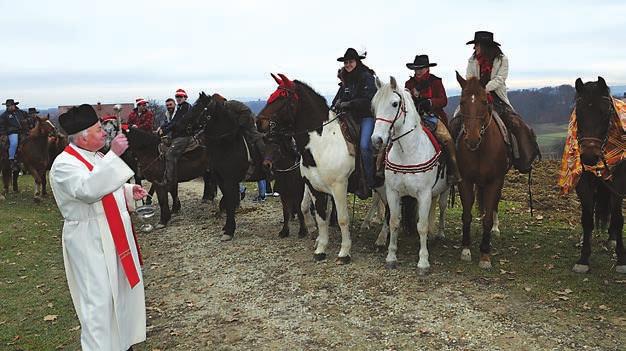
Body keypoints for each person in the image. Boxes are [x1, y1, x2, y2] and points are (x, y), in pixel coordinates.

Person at [49, 104, 147, 351]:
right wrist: (115, 156)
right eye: (98, 129)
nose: (104, 132)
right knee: (99, 301)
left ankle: (122, 344)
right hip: (89, 239)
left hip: (112, 234)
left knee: (120, 292)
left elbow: (104, 185)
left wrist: (127, 192)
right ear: (82, 136)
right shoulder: (64, 164)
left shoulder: (97, 157)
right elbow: (87, 191)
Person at [464, 30, 539, 173]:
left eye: (477, 45)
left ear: (484, 46)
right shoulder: (472, 60)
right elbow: (469, 78)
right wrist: (476, 91)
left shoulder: (502, 60)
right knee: (456, 121)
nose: (474, 48)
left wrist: (485, 89)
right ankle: (453, 161)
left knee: (516, 124)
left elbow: (500, 79)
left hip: (497, 97)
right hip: (475, 97)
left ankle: (522, 158)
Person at [405, 54, 461, 184]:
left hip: (432, 116)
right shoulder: (409, 83)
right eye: (416, 69)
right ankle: (382, 167)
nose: (418, 71)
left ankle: (453, 171)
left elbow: (443, 100)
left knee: (447, 140)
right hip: (413, 117)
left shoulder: (435, 81)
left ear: (427, 68)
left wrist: (430, 102)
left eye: (421, 68)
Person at [331, 47, 378, 191]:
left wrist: (349, 104)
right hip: (348, 117)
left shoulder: (367, 77)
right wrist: (335, 105)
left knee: (364, 145)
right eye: (346, 62)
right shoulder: (345, 80)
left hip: (366, 116)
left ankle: (370, 179)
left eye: (350, 61)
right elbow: (336, 100)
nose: (348, 65)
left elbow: (368, 100)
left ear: (357, 61)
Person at [160, 89, 195, 186]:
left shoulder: (186, 107)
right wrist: (163, 128)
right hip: (177, 135)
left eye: (180, 97)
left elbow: (177, 122)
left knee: (170, 154)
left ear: (185, 97)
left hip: (184, 136)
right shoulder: (180, 107)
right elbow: (173, 121)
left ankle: (169, 180)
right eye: (177, 97)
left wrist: (165, 130)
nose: (178, 98)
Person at [0, 99, 28, 171]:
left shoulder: (21, 112)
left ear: (14, 105)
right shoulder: (4, 115)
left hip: (23, 131)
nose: (10, 107)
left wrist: (27, 121)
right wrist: (3, 133)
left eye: (11, 105)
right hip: (12, 132)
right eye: (8, 106)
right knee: (14, 143)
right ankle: (11, 159)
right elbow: (2, 125)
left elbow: (28, 117)